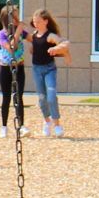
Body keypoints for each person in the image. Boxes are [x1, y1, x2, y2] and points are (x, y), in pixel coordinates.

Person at [29, 9, 70, 137]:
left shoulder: (50, 36)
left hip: (49, 69)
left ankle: (57, 125)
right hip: (37, 69)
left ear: (46, 21)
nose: (35, 24)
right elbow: (32, 47)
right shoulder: (34, 35)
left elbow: (65, 43)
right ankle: (47, 121)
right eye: (34, 22)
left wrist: (56, 48)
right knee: (42, 98)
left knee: (51, 97)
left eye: (38, 22)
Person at [0, 4, 29, 138]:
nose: (18, 19)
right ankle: (4, 126)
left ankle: (21, 125)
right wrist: (18, 31)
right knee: (6, 97)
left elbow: (33, 38)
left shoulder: (21, 32)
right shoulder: (2, 34)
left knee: (19, 97)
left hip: (19, 67)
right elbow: (11, 48)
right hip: (6, 68)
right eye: (15, 17)